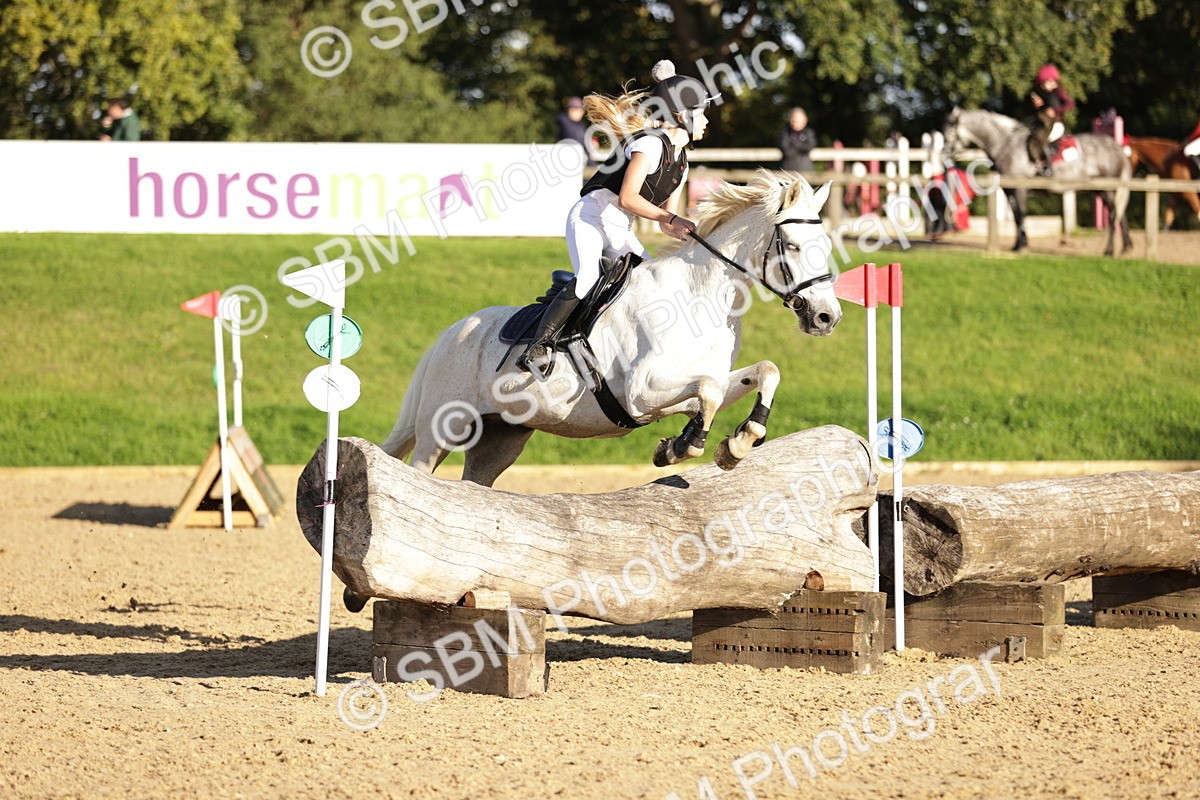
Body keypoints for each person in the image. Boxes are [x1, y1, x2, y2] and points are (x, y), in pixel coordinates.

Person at [517, 60, 716, 376]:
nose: (706, 121)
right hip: (591, 218)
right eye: (702, 113)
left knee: (650, 283)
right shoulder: (649, 144)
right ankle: (538, 346)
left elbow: (665, 220)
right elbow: (628, 197)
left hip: (620, 228)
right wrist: (672, 217)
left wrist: (688, 230)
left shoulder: (682, 164)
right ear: (682, 115)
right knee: (587, 279)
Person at [1027, 64, 1073, 176]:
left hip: (1057, 125)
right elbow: (1047, 109)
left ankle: (1048, 168)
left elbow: (1070, 104)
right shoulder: (1048, 93)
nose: (1042, 87)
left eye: (1044, 83)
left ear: (1051, 80)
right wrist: (1040, 105)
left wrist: (1055, 111)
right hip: (1048, 124)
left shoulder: (1059, 91)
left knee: (1044, 140)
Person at [555, 96, 597, 165]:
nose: (577, 112)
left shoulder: (580, 125)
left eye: (579, 110)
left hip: (580, 159)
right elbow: (575, 141)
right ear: (569, 110)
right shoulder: (564, 122)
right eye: (574, 109)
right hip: (570, 161)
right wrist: (589, 144)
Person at [779, 107, 816, 172]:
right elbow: (785, 149)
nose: (796, 124)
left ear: (805, 121)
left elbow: (809, 146)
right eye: (794, 121)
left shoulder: (809, 132)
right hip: (788, 169)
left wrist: (794, 145)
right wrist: (800, 147)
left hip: (805, 169)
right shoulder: (785, 133)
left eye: (799, 121)